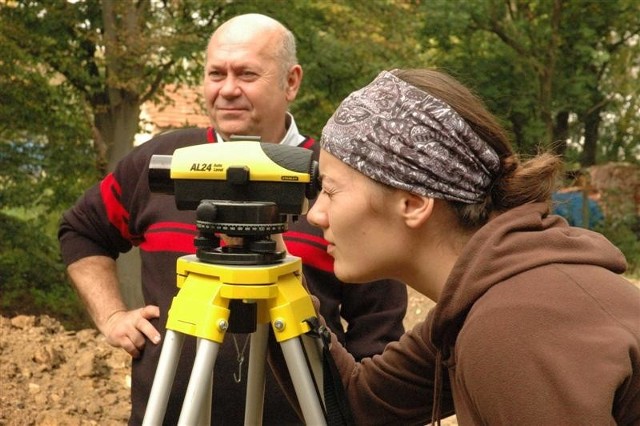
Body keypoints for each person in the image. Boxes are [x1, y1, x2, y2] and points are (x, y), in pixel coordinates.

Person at [58, 14, 407, 425]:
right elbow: (82, 231)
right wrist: (113, 317)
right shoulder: (163, 163)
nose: (227, 90)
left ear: (291, 81)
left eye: (246, 74)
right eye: (215, 74)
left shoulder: (337, 179)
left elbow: (378, 326)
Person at [270, 68, 640, 424]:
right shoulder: (486, 297)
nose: (316, 215)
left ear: (414, 203)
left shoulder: (511, 325)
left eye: (331, 191)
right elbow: (359, 405)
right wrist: (269, 275)